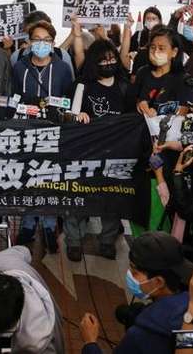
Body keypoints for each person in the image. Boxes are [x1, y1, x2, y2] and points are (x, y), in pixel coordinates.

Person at [66, 40, 131, 261]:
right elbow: (69, 115)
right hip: (85, 153)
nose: (108, 63)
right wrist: (77, 116)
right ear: (94, 62)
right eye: (103, 60)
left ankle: (107, 240)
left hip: (116, 153)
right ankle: (73, 241)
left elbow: (133, 119)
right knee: (78, 197)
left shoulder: (124, 86)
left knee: (111, 199)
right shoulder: (81, 86)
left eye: (112, 59)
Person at [13, 21, 73, 253]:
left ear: (53, 42)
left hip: (53, 132)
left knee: (49, 178)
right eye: (36, 39)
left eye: (46, 40)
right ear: (28, 43)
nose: (41, 44)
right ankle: (28, 224)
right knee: (28, 177)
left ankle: (49, 226)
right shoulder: (20, 67)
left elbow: (67, 100)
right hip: (27, 131)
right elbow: (14, 97)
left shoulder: (62, 68)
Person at [80, 232, 193, 354]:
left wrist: (90, 343)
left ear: (158, 281)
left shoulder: (141, 337)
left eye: (134, 272)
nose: (129, 274)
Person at [132, 26, 193, 117]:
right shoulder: (142, 72)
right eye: (153, 47)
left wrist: (158, 113)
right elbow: (133, 98)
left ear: (174, 52)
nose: (156, 52)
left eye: (161, 48)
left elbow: (182, 112)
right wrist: (140, 104)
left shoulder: (184, 80)